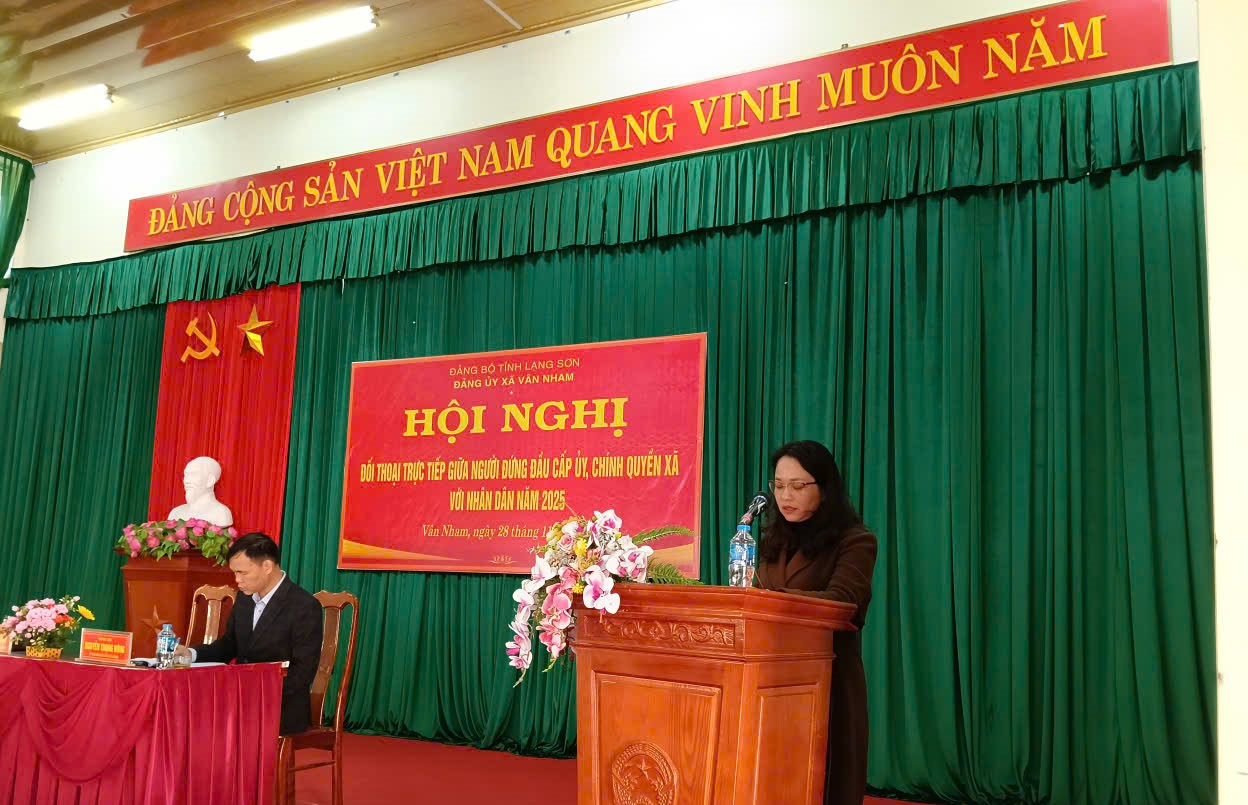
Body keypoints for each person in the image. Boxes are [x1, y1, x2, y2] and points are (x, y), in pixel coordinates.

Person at [754, 440, 877, 805]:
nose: (784, 496)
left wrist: (771, 602)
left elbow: (843, 603)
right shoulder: (772, 540)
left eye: (797, 486)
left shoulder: (856, 541)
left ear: (824, 488)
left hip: (830, 682)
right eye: (778, 485)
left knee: (826, 785)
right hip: (772, 684)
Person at [175, 532, 324, 735]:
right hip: (239, 700)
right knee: (187, 715)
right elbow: (229, 646)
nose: (237, 580)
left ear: (267, 566)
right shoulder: (245, 599)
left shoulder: (304, 606)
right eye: (235, 573)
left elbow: (303, 672)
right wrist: (190, 654)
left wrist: (253, 693)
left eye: (242, 573)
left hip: (279, 707)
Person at [168, 456, 234, 527]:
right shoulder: (175, 513)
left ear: (210, 480)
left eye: (193, 474)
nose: (186, 481)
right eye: (186, 475)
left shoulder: (221, 514)